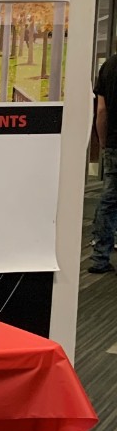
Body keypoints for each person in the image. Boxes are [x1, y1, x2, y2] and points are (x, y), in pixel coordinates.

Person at [89, 55, 117, 273]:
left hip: (115, 143)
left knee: (109, 200)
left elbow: (101, 111)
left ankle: (100, 257)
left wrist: (104, 141)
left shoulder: (109, 66)